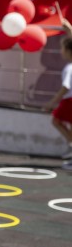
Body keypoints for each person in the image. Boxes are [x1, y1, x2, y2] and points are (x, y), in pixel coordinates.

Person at [45, 36, 72, 170]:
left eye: (62, 48)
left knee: (56, 121)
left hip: (69, 101)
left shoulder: (69, 68)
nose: (60, 51)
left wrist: (52, 102)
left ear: (68, 50)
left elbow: (65, 87)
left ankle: (71, 145)